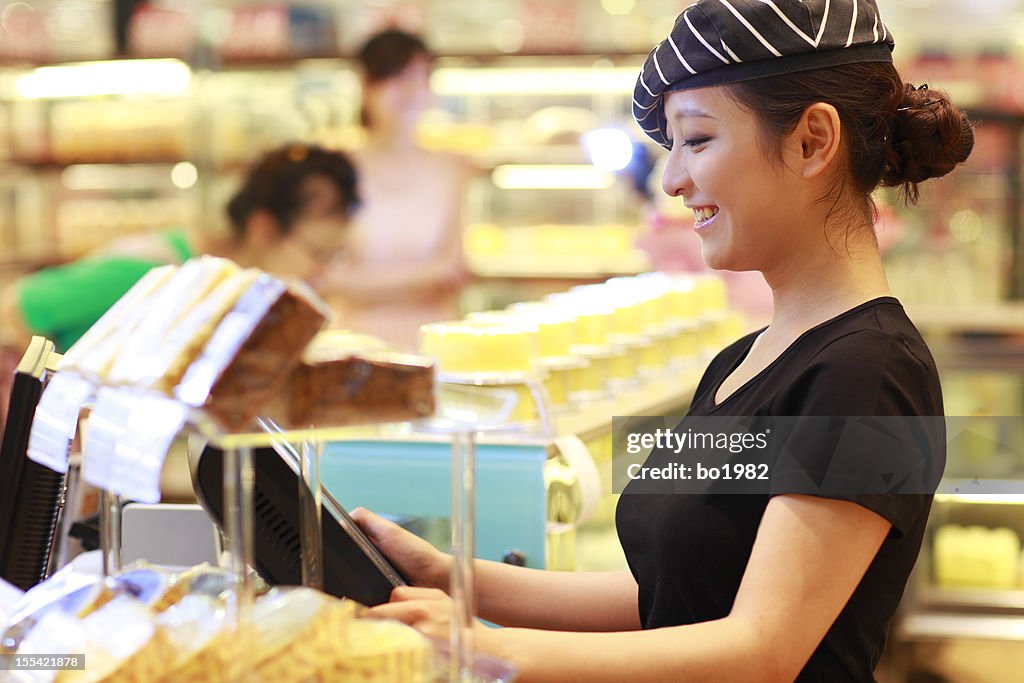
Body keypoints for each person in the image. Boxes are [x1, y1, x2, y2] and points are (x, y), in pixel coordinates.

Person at [349, 2, 973, 681]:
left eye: (696, 140)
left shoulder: (870, 371)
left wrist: (485, 646)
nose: (672, 179)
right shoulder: (741, 360)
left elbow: (760, 650)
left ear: (812, 141)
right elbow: (672, 596)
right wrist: (451, 575)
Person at [0, 143, 359, 355]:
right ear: (263, 227)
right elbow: (16, 308)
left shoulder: (242, 290)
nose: (325, 273)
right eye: (319, 253)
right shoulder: (153, 271)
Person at [320, 29, 471, 351]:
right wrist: (424, 277)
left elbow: (454, 271)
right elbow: (324, 277)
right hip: (354, 343)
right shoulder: (336, 169)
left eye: (418, 77)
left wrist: (363, 283)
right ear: (366, 85)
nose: (408, 91)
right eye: (394, 77)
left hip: (434, 341)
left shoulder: (451, 167)